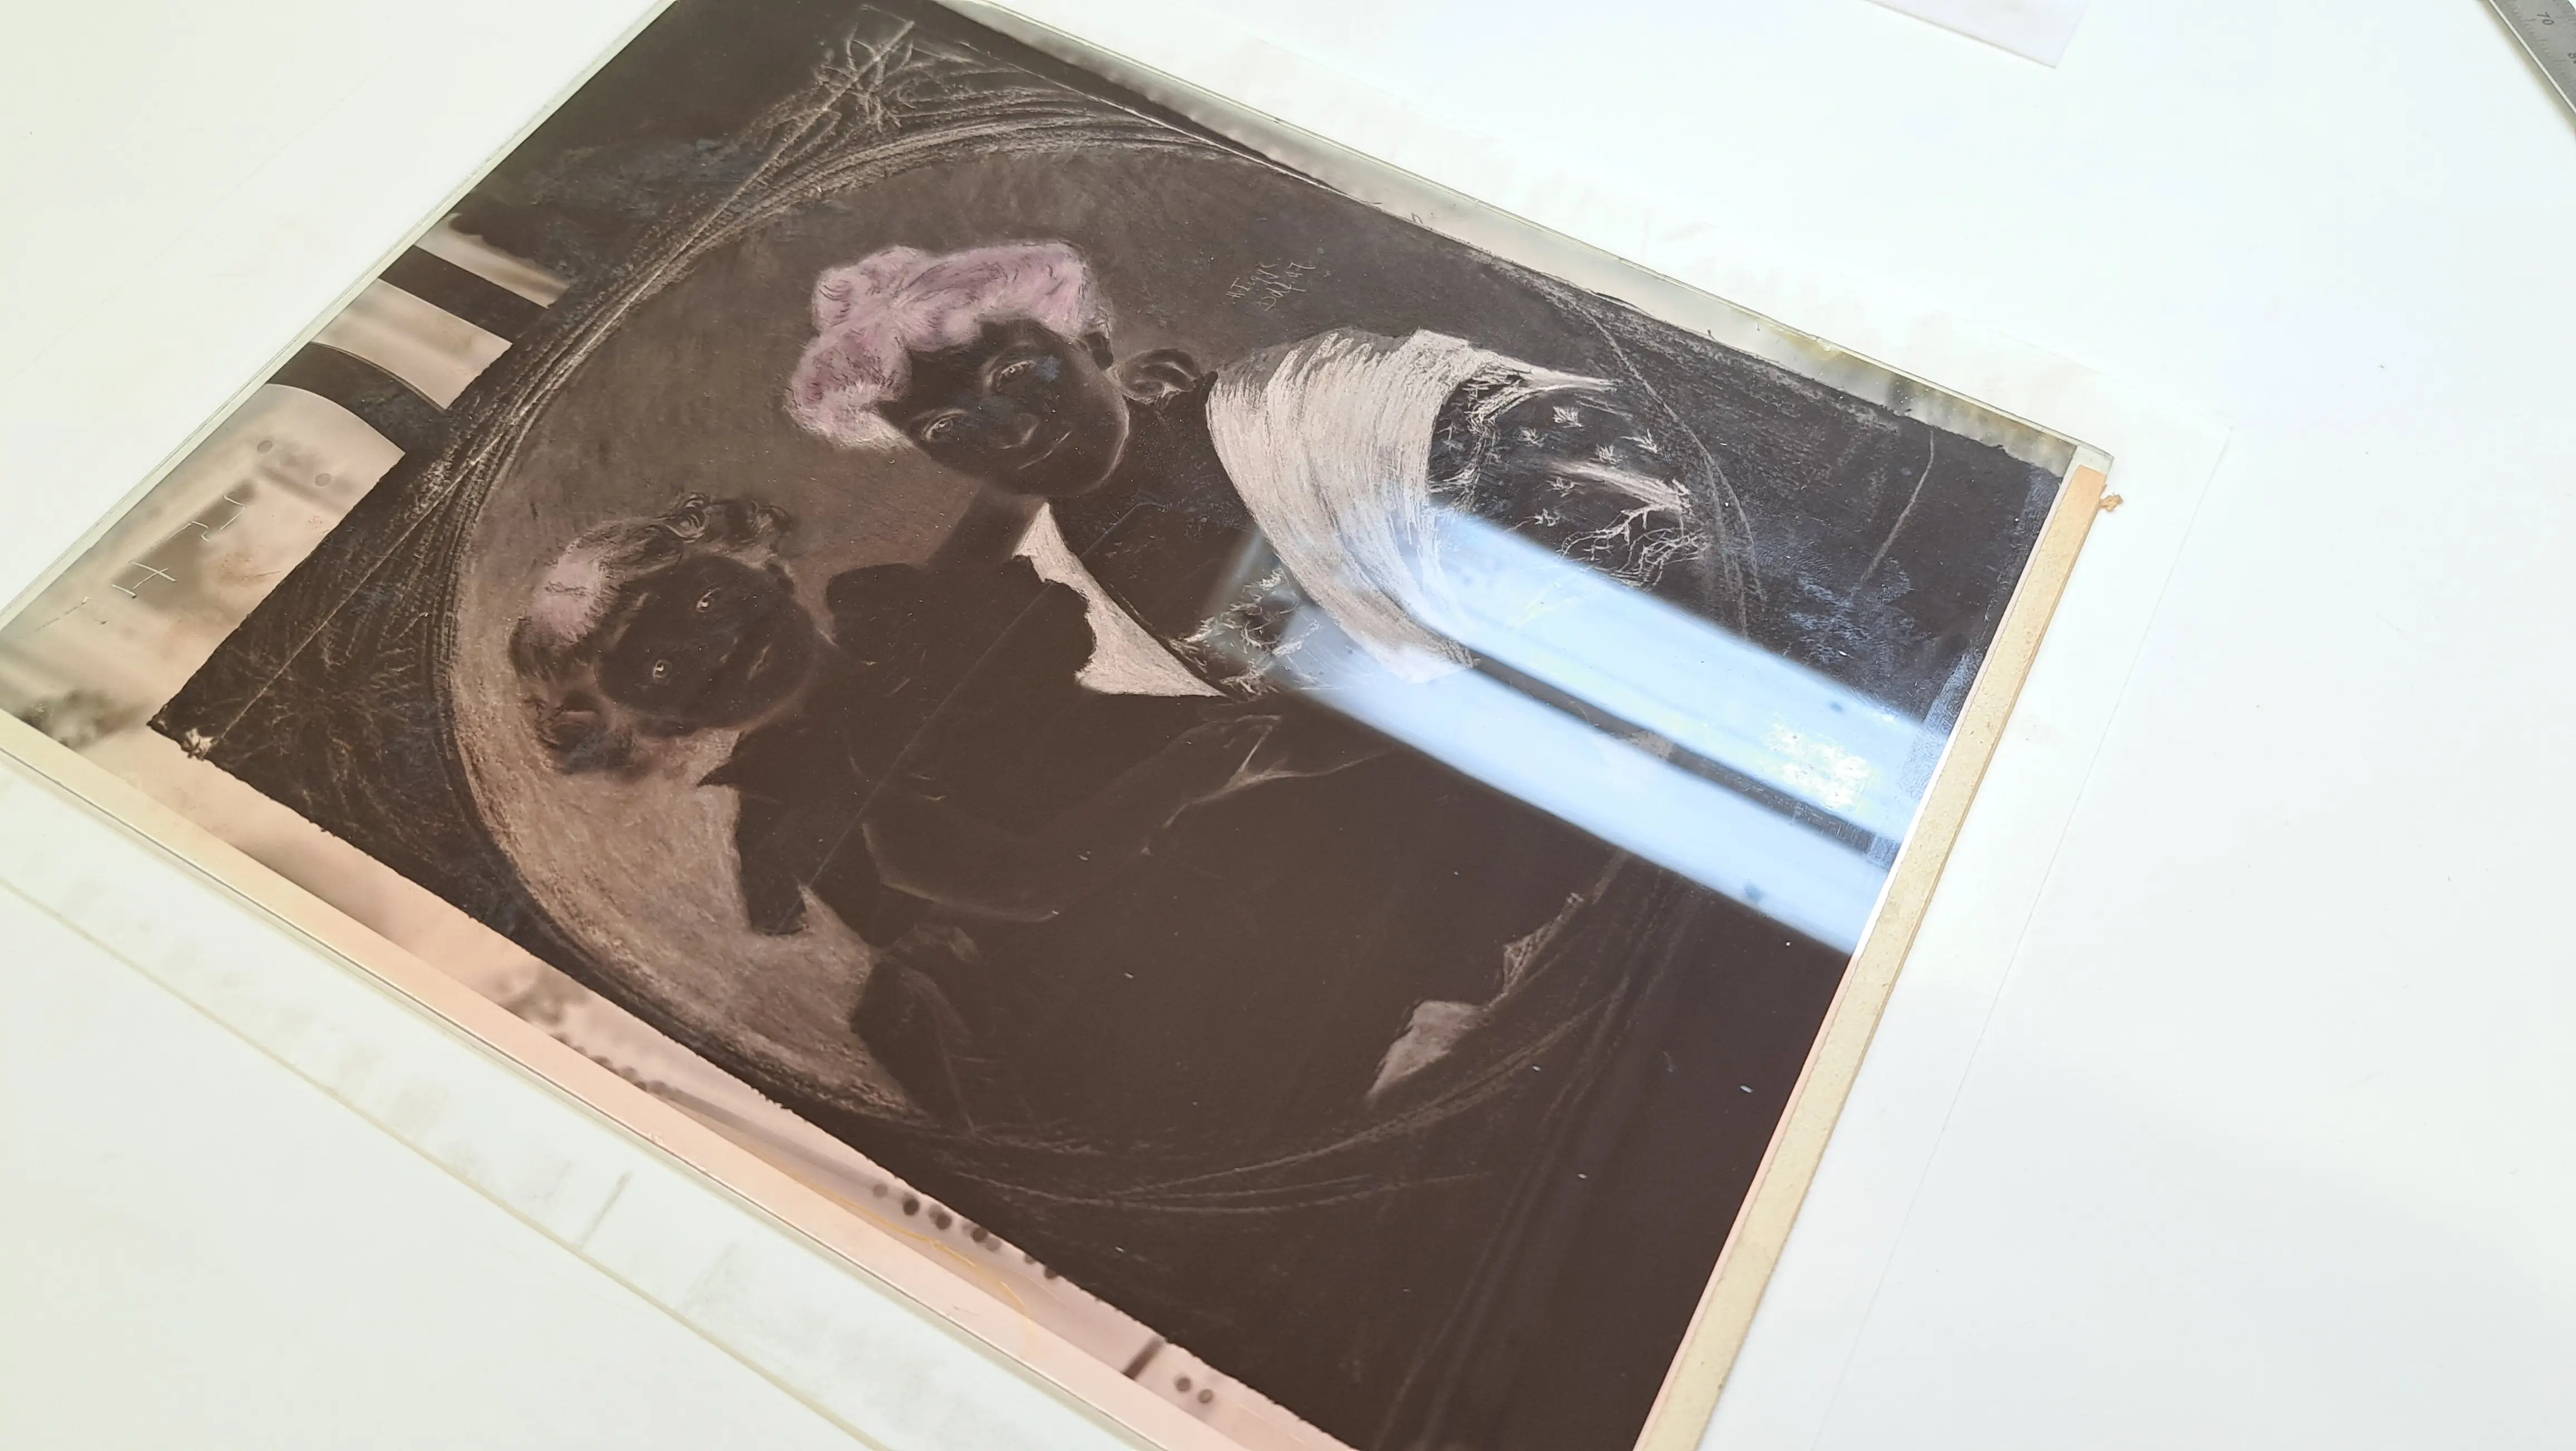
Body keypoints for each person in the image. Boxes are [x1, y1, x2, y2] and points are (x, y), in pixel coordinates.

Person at [783, 240, 1746, 694]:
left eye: (1018, 374)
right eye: (951, 426)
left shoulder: (1322, 396)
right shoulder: (1059, 601)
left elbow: (1608, 486)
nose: (1006, 428)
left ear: (1094, 342)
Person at [505, 492, 1280, 1003]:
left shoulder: (897, 625)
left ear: (761, 566)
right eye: (661, 667)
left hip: (1209, 781)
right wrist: (1182, 778)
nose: (718, 642)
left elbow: (998, 516)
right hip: (1136, 933)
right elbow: (1023, 885)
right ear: (667, 724)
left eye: (706, 598)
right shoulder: (810, 797)